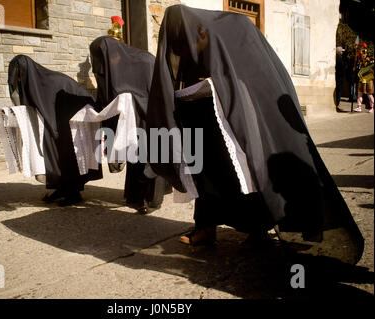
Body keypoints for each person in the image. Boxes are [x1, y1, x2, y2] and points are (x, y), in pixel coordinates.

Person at [146, 5, 364, 265]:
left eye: (188, 40)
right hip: (203, 123)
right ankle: (205, 227)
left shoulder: (232, 30)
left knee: (245, 174)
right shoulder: (196, 49)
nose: (185, 49)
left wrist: (219, 88)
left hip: (239, 122)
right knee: (204, 173)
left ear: (200, 32)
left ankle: (257, 230)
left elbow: (247, 81)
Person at [89, 17, 169, 214]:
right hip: (133, 120)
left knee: (150, 157)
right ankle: (135, 196)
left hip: (150, 116)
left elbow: (153, 89)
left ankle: (151, 200)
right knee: (135, 156)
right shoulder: (115, 67)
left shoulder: (143, 60)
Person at [7, 55, 102, 206]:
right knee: (52, 158)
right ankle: (61, 188)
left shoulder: (50, 80)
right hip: (54, 123)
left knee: (67, 158)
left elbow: (81, 96)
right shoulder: (33, 83)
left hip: (69, 123)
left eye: (20, 77)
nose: (19, 82)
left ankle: (73, 194)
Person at [355, 48, 374, 113]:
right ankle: (359, 107)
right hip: (361, 79)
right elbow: (359, 69)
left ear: (366, 54)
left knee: (369, 94)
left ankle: (372, 107)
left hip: (368, 79)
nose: (363, 55)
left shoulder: (370, 60)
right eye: (362, 53)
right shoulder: (360, 61)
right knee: (359, 93)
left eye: (364, 53)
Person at [335, 46, 345, 112]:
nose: (342, 52)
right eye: (341, 51)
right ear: (339, 51)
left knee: (338, 91)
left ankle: (338, 104)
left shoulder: (339, 57)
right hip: (339, 77)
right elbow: (340, 68)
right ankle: (337, 104)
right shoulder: (338, 58)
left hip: (339, 77)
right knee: (338, 91)